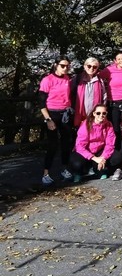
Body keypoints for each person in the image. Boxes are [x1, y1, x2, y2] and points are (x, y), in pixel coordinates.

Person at [39, 56, 74, 185]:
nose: (65, 68)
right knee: (52, 145)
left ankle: (64, 168)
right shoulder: (47, 80)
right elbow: (41, 103)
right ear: (56, 65)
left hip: (64, 113)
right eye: (62, 66)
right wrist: (48, 119)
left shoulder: (67, 79)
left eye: (67, 66)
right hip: (51, 114)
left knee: (66, 143)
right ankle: (46, 173)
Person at [71, 104, 121, 183]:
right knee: (77, 164)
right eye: (98, 113)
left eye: (104, 113)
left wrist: (103, 158)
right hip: (85, 151)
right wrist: (94, 158)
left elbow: (110, 144)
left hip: (99, 151)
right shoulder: (86, 124)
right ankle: (78, 172)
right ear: (94, 114)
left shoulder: (109, 125)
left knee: (117, 157)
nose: (101, 115)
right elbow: (80, 146)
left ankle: (98, 169)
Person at [71, 57, 107, 128]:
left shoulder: (100, 80)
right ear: (85, 66)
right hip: (80, 113)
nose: (91, 68)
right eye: (89, 66)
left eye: (94, 67)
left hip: (95, 114)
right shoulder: (77, 79)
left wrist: (102, 109)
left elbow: (104, 96)